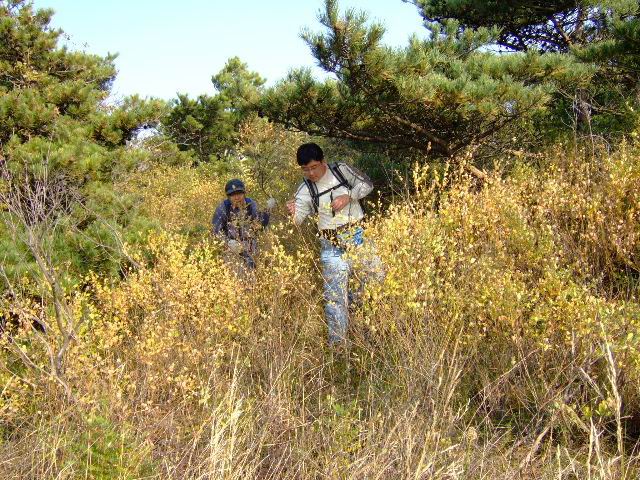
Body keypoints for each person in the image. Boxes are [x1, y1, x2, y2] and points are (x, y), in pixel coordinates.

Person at [286, 142, 383, 345]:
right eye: (305, 169)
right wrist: (292, 213)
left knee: (368, 288)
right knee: (335, 298)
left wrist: (349, 196)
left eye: (314, 167)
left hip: (359, 237)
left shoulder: (341, 170)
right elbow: (297, 220)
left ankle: (368, 338)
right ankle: (338, 346)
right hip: (331, 246)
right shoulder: (305, 189)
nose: (311, 173)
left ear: (324, 161)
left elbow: (367, 184)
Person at [212, 179, 274, 271]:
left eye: (239, 194)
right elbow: (216, 231)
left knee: (256, 273)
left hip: (251, 248)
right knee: (237, 274)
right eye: (233, 195)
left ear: (244, 193)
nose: (237, 197)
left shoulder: (251, 204)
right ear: (228, 196)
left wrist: (267, 210)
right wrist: (228, 242)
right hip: (232, 250)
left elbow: (259, 225)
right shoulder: (223, 208)